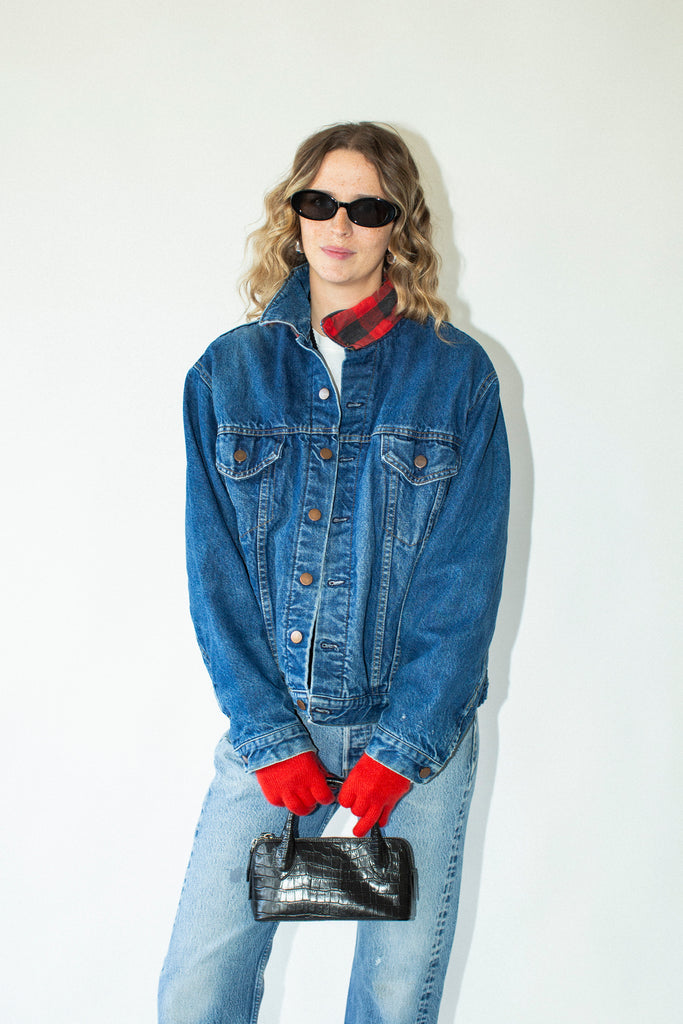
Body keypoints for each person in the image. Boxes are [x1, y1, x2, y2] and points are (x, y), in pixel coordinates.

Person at [158, 121, 510, 1024]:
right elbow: (216, 575)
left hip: (416, 748)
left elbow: (462, 581)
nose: (339, 224)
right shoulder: (227, 375)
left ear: (402, 224)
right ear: (294, 214)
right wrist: (270, 737)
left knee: (393, 1006)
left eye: (367, 206)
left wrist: (400, 752)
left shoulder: (456, 377)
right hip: (274, 736)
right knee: (198, 994)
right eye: (320, 202)